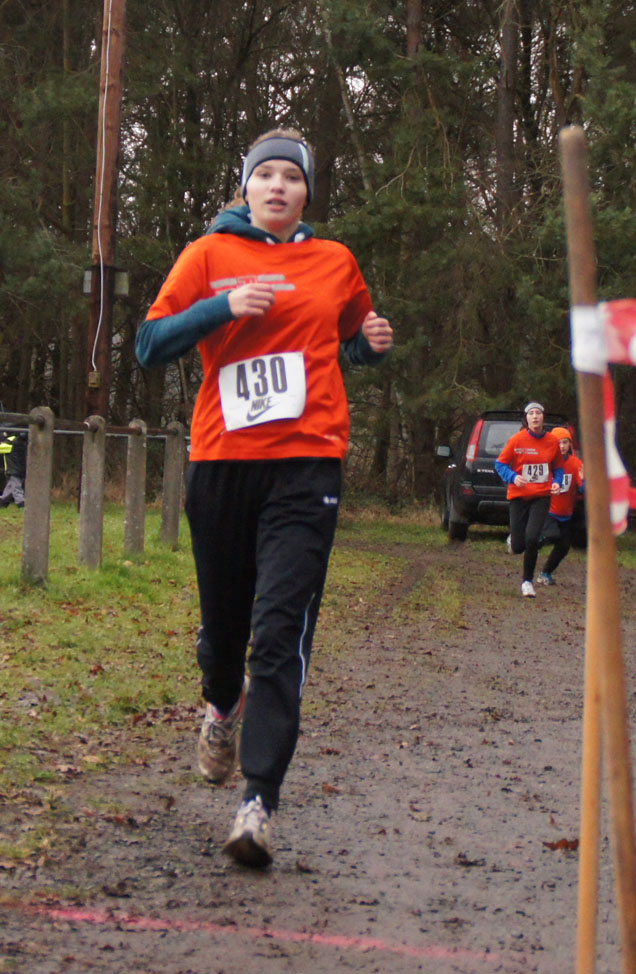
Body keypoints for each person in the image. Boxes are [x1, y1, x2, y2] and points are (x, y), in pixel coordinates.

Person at [135, 129, 393, 868]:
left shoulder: (335, 261)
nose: (278, 186)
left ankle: (259, 802)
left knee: (278, 635)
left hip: (307, 468)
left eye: (292, 177)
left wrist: (369, 344)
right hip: (223, 462)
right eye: (266, 175)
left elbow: (349, 339)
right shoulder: (208, 255)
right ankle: (221, 701)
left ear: (307, 192)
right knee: (225, 635)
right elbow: (149, 346)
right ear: (245, 187)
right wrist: (223, 307)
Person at [495, 402, 563, 598]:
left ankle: (527, 582)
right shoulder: (517, 440)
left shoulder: (552, 441)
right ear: (526, 419)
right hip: (519, 496)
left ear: (543, 417)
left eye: (538, 413)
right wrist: (513, 477)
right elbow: (500, 464)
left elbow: (558, 467)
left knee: (532, 538)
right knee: (518, 546)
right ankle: (514, 540)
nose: (535, 416)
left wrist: (557, 482)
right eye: (531, 413)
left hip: (541, 496)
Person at [536, 427, 584, 585]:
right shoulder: (548, 462)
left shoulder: (576, 464)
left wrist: (584, 480)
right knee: (551, 535)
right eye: (559, 443)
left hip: (566, 513)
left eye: (565, 442)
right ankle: (525, 539)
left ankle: (545, 573)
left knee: (564, 546)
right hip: (548, 510)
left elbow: (583, 490)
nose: (562, 446)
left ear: (570, 445)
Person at [0, 426, 27, 508]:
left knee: (16, 487)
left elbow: (1, 448)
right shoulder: (20, 441)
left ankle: (21, 502)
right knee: (11, 486)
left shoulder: (10, 442)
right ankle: (3, 501)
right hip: (20, 468)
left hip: (13, 469)